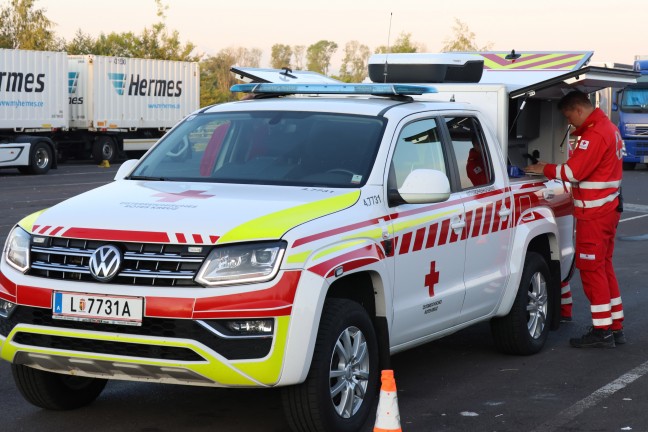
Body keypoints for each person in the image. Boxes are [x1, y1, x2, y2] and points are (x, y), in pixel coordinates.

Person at [525, 90, 624, 348]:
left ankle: (602, 332)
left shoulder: (595, 134)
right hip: (607, 210)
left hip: (595, 213)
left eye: (569, 117)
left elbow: (573, 172)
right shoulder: (609, 128)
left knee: (592, 270)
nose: (569, 124)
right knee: (604, 267)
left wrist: (543, 168)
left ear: (579, 110)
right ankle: (615, 326)